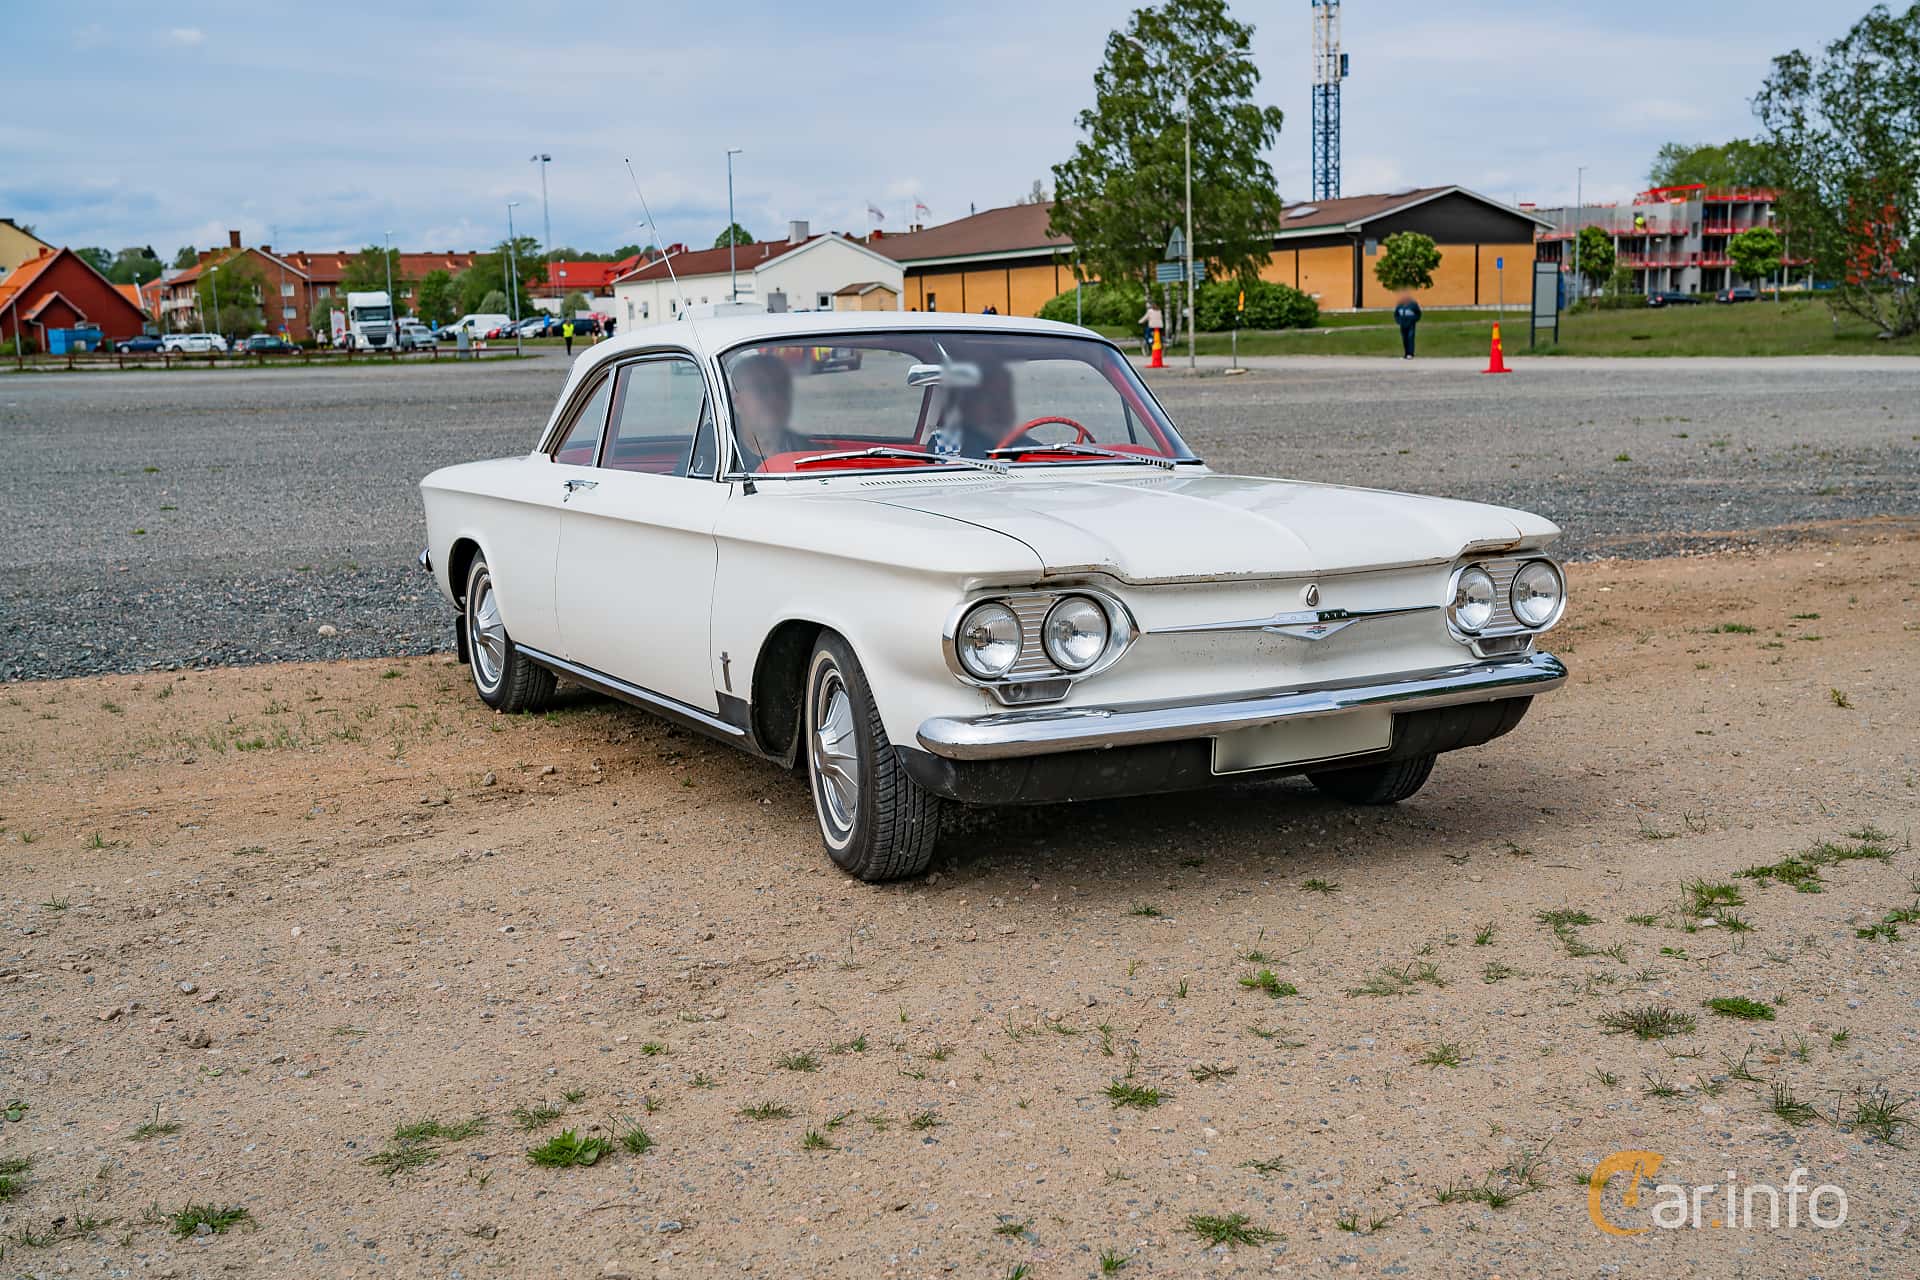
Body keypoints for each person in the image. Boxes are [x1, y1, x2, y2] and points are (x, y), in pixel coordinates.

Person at [728, 352, 809, 470]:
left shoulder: (806, 449)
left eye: (781, 388)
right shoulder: (713, 453)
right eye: (761, 388)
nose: (774, 398)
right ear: (736, 399)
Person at [1394, 292, 1422, 359]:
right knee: (1404, 339)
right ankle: (1406, 354)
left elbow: (1418, 313)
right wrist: (1398, 321)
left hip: (1411, 325)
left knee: (1410, 338)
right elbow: (1396, 314)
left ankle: (1410, 354)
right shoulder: (1400, 305)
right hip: (1403, 324)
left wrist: (1414, 320)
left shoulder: (1413, 304)